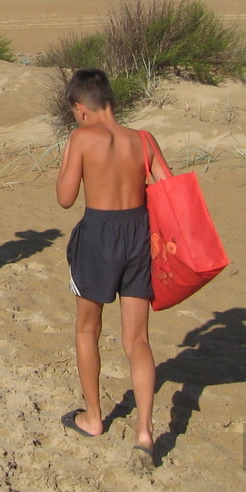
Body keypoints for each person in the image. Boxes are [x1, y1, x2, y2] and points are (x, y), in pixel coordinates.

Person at [54, 68, 168, 467]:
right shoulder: (144, 139)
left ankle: (94, 417)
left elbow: (65, 198)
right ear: (112, 103)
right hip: (139, 233)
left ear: (80, 109)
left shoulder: (82, 138)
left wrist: (71, 155)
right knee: (137, 339)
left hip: (100, 234)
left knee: (88, 327)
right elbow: (168, 190)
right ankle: (144, 432)